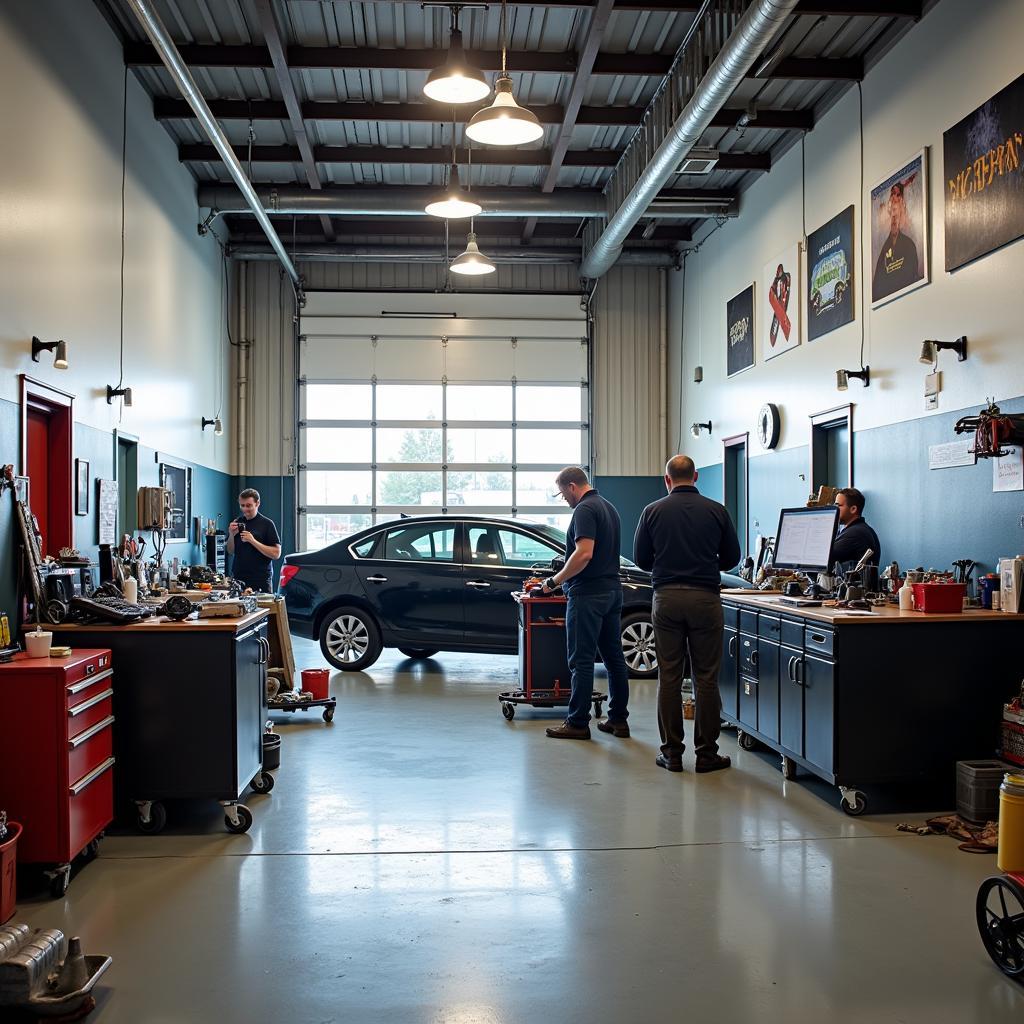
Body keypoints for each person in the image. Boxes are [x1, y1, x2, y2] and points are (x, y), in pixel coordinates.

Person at [633, 455, 740, 774]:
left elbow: (641, 559)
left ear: (667, 479)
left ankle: (671, 753)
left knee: (669, 675)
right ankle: (707, 754)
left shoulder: (651, 511)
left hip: (665, 599)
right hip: (705, 599)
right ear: (696, 476)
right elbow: (731, 558)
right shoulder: (717, 510)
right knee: (705, 678)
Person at [540, 467, 630, 741]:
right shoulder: (609, 507)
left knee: (581, 660)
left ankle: (578, 722)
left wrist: (553, 582)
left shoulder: (584, 510)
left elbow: (584, 554)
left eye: (562, 493)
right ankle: (618, 721)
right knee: (614, 660)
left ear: (571, 486)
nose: (564, 500)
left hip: (588, 595)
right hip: (612, 591)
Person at [226, 488, 282, 593]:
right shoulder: (237, 522)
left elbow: (276, 554)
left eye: (248, 505)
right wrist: (231, 535)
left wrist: (253, 541)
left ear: (257, 504)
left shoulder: (267, 524)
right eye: (242, 505)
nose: (245, 509)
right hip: (238, 578)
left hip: (260, 579)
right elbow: (230, 551)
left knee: (262, 609)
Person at [872, 180, 920, 301]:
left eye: (898, 195)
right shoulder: (884, 250)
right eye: (892, 195)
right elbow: (876, 289)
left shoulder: (909, 245)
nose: (894, 199)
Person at [831, 487, 881, 568]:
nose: (834, 509)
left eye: (838, 505)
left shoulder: (855, 533)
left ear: (853, 509)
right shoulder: (863, 529)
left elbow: (824, 559)